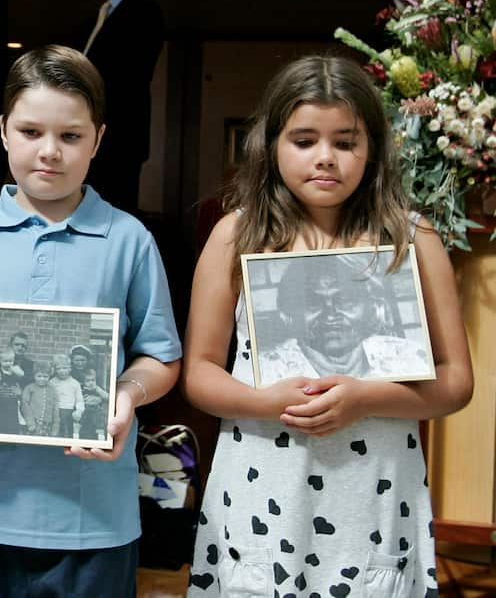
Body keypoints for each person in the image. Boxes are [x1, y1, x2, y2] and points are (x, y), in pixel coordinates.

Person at [183, 56, 472, 597]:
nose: (325, 158)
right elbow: (199, 373)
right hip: (261, 481)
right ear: (270, 144)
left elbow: (456, 382)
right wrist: (270, 402)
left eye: (345, 142)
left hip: (375, 491)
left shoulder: (412, 237)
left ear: (374, 148)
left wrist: (365, 398)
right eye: (304, 140)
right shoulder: (236, 234)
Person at [0, 45, 182, 598]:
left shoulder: (129, 240)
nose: (50, 152)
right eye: (31, 132)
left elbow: (161, 356)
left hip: (93, 516)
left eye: (71, 136)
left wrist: (125, 393)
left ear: (99, 139)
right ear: (4, 130)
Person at [75, 0, 165, 215]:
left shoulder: (144, 11)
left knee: (113, 213)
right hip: (90, 132)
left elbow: (131, 74)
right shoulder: (100, 16)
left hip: (119, 133)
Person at [255, 253, 433, 383]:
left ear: (371, 308)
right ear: (288, 314)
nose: (330, 314)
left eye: (346, 301)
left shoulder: (409, 358)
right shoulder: (268, 372)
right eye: (313, 303)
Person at [0, 349, 26, 434]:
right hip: (1, 401)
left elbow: (22, 374)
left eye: (10, 361)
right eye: (5, 361)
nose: (8, 363)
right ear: (0, 361)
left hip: (12, 401)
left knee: (12, 423)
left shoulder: (15, 370)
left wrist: (14, 369)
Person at [20, 361, 59, 436]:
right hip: (33, 423)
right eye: (39, 376)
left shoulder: (52, 389)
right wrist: (30, 422)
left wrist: (55, 427)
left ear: (49, 376)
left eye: (45, 376)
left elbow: (55, 408)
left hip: (47, 425)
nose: (42, 379)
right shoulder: (29, 388)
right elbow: (25, 405)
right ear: (34, 376)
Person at [51, 355, 84, 438]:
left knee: (67, 434)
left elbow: (79, 400)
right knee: (55, 434)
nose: (62, 371)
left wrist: (79, 411)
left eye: (65, 368)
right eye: (59, 368)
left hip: (69, 413)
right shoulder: (52, 382)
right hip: (54, 412)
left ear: (70, 368)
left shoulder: (75, 383)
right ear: (55, 370)